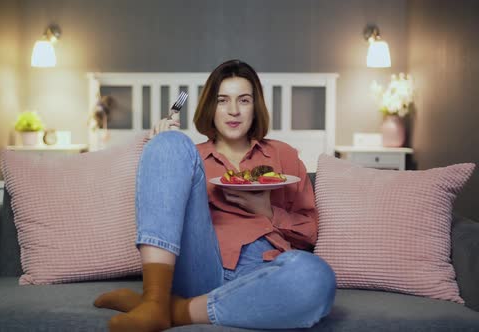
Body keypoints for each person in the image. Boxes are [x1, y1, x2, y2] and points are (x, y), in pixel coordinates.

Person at [93, 60, 336, 331]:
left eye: (243, 100)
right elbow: (161, 206)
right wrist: (162, 145)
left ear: (255, 107)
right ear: (211, 106)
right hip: (201, 266)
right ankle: (155, 298)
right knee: (169, 144)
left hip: (265, 272)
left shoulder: (283, 155)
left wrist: (267, 212)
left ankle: (167, 308)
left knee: (316, 276)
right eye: (223, 101)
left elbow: (310, 233)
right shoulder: (190, 157)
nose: (233, 111)